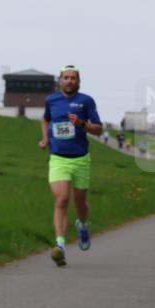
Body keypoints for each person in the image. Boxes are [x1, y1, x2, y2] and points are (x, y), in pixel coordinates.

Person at [38, 65, 103, 267]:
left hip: (81, 158)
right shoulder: (51, 100)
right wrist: (45, 139)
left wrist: (82, 124)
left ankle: (83, 226)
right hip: (58, 158)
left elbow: (99, 130)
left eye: (73, 78)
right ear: (60, 80)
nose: (69, 81)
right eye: (66, 77)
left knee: (80, 204)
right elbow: (46, 120)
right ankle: (60, 246)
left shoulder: (86, 101)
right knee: (62, 199)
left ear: (79, 81)